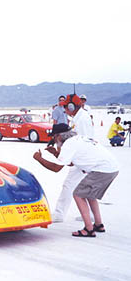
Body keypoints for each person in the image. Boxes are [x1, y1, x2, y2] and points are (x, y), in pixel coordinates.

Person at [33, 124, 119, 237]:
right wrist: (55, 153)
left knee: (78, 194)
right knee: (89, 195)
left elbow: (56, 168)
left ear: (59, 136)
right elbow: (71, 162)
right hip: (111, 168)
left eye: (53, 137)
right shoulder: (78, 139)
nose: (53, 140)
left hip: (102, 170)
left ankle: (89, 229)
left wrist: (39, 158)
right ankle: (98, 224)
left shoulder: (69, 145)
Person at [50, 94, 94, 222]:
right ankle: (89, 214)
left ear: (71, 106)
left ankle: (59, 214)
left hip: (82, 158)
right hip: (80, 158)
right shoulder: (78, 117)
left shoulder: (82, 119)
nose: (64, 110)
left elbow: (86, 139)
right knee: (81, 186)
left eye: (66, 107)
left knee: (69, 185)